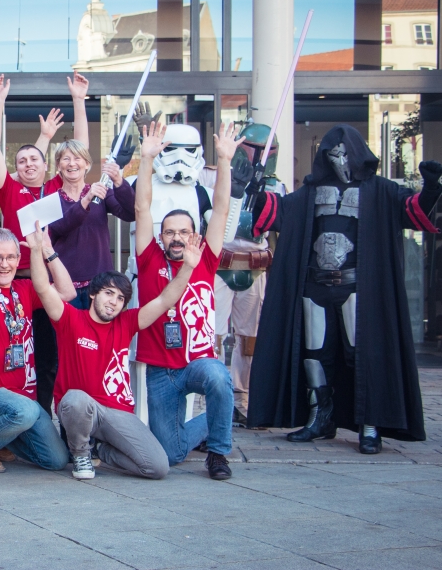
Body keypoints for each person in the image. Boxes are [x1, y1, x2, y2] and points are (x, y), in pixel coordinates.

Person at [247, 124, 441, 453]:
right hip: (315, 285)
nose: (339, 160)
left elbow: (415, 213)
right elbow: (275, 213)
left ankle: (370, 423)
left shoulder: (380, 191)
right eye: (333, 154)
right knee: (315, 355)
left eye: (345, 154)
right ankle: (319, 416)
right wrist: (252, 187)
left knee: (362, 353)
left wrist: (431, 187)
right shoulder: (310, 192)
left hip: (357, 287)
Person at [35, 232, 206, 480]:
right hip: (82, 410)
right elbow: (42, 288)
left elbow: (164, 299)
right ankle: (81, 454)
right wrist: (39, 251)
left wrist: (188, 266)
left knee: (157, 468)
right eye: (108, 293)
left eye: (120, 298)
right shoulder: (71, 319)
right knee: (74, 399)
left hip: (118, 412)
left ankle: (104, 452)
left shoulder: (126, 323)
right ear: (93, 294)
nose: (113, 302)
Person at [134, 119, 242, 480]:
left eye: (184, 232)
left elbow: (223, 210)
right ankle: (215, 423)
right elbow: (141, 208)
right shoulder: (149, 259)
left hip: (197, 362)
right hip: (162, 370)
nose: (177, 238)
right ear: (161, 236)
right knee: (171, 454)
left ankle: (218, 454)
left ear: (194, 235)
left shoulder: (205, 259)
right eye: (170, 233)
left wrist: (224, 160)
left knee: (218, 377)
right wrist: (147, 159)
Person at [0, 160, 76, 474]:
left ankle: (7, 440)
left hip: (24, 401)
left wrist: (46, 250)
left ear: (18, 258)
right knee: (22, 410)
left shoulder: (25, 288)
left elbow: (66, 293)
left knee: (56, 460)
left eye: (10, 257)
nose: (5, 264)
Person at [0, 72, 90, 418]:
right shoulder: (10, 191)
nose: (29, 164)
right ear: (16, 169)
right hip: (13, 281)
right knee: (11, 350)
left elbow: (81, 151)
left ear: (47, 166)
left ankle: (43, 420)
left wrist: (78, 101)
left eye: (35, 159)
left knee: (48, 355)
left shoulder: (55, 189)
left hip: (45, 283)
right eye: (22, 161)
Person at [200, 122, 284, 427]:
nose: (260, 155)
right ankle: (215, 394)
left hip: (254, 266)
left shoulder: (276, 185)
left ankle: (242, 396)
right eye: (255, 148)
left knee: (250, 339)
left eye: (267, 150)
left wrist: (263, 198)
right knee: (213, 335)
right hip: (219, 265)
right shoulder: (211, 175)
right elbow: (208, 219)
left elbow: (273, 228)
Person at [48, 138, 135, 310]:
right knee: (66, 336)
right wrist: (86, 200)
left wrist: (118, 181)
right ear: (58, 166)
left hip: (100, 286)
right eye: (66, 159)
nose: (72, 164)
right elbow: (60, 227)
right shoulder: (51, 200)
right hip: (65, 287)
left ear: (87, 164)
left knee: (99, 335)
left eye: (77, 158)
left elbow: (131, 213)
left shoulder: (102, 191)